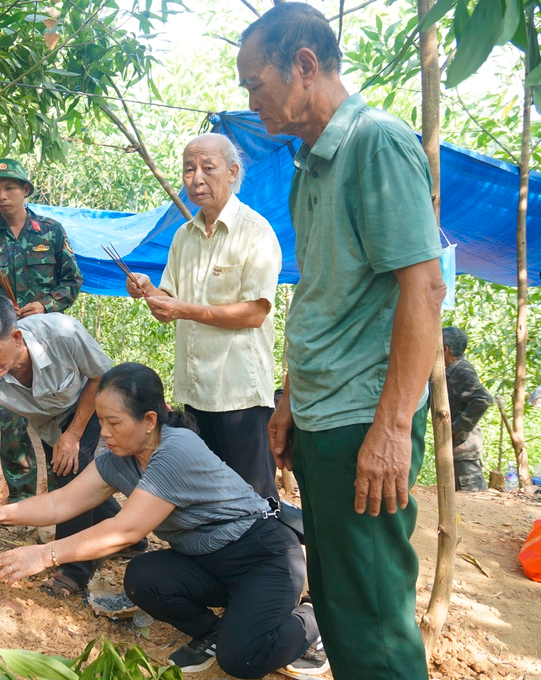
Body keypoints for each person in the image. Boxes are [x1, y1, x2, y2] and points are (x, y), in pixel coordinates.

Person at [238, 4, 446, 679]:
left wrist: (391, 427)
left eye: (255, 82)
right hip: (324, 417)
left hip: (365, 418)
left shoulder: (376, 142)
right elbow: (328, 294)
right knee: (335, 603)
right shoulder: (308, 165)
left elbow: (422, 288)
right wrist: (292, 399)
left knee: (373, 618)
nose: (251, 100)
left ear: (303, 65)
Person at [0, 363, 326, 677]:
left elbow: (127, 529)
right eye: (101, 422)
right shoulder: (118, 458)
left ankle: (313, 620)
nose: (105, 433)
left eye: (114, 422)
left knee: (242, 660)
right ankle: (215, 631)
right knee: (143, 578)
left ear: (149, 420)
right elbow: (62, 503)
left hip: (263, 557)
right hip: (208, 561)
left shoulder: (176, 450)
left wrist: (45, 555)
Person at [0, 296, 146, 597]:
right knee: (74, 479)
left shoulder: (62, 333)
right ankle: (130, 539)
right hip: (45, 420)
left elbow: (101, 377)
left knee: (69, 471)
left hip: (86, 405)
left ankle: (73, 572)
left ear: (16, 337)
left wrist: (74, 435)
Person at [126, 135, 282, 500]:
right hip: (194, 391)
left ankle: (270, 556)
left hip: (238, 393)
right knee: (208, 491)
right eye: (188, 169)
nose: (196, 178)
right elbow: (170, 304)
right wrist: (150, 291)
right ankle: (216, 557)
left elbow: (255, 313)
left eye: (207, 168)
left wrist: (183, 309)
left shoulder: (255, 233)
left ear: (232, 172)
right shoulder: (184, 236)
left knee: (253, 495)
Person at [0, 158, 84, 503]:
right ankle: (21, 499)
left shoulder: (51, 231)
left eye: (10, 188)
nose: (2, 196)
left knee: (55, 418)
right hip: (2, 345)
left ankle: (61, 501)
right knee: (11, 421)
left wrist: (45, 304)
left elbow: (73, 281)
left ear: (25, 191)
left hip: (45, 344)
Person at [442, 326, 493, 492]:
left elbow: (483, 399)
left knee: (470, 496)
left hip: (464, 447)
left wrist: (455, 428)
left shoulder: (460, 370)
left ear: (444, 349)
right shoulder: (451, 370)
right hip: (458, 447)